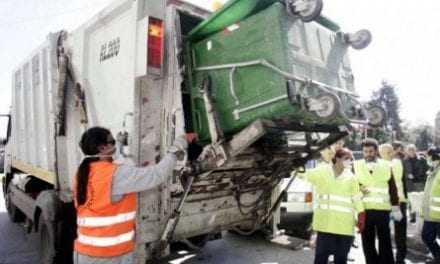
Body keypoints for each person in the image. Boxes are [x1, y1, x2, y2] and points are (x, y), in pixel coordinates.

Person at [72, 127, 189, 264]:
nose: (115, 145)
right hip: (109, 256)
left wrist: (120, 145)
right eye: (113, 142)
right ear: (102, 148)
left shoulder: (82, 173)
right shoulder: (115, 175)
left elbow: (117, 171)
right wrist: (175, 150)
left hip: (85, 253)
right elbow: (156, 175)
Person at [295, 148, 365, 264]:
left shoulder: (351, 177)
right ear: (337, 159)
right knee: (321, 258)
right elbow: (304, 175)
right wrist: (298, 166)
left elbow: (356, 197)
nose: (349, 161)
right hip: (326, 224)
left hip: (345, 226)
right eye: (346, 158)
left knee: (341, 259)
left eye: (350, 159)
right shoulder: (322, 172)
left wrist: (361, 214)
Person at [354, 138, 401, 264]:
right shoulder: (356, 165)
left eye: (371, 151)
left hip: (382, 210)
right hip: (365, 209)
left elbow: (392, 188)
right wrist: (358, 191)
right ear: (362, 152)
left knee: (385, 240)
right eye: (365, 151)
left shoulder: (386, 165)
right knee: (367, 241)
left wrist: (396, 206)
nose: (368, 154)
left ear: (376, 152)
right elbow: (352, 186)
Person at [379, 142, 408, 264]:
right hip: (388, 203)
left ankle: (399, 259)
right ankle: (394, 259)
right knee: (388, 233)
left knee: (398, 233)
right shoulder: (391, 163)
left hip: (396, 203)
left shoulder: (393, 163)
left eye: (388, 152)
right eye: (384, 153)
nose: (386, 154)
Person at [421, 148, 440, 264]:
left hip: (438, 214)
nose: (427, 159)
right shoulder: (433, 170)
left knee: (427, 236)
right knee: (426, 236)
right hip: (431, 214)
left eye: (428, 156)